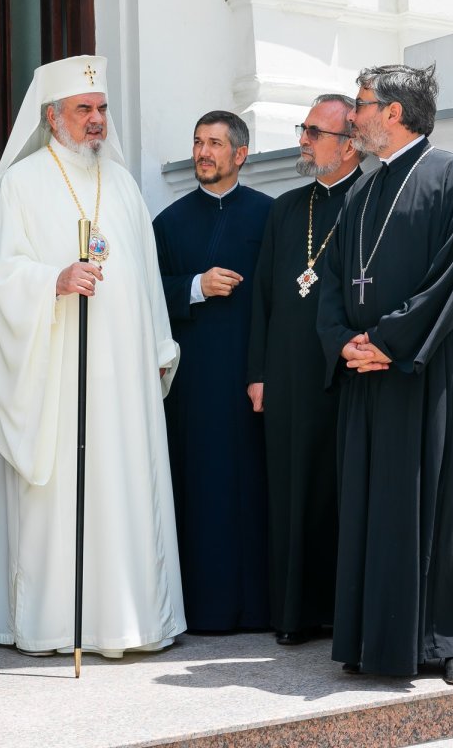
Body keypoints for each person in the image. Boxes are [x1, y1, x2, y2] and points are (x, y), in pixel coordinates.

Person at [0, 55, 187, 657]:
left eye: (101, 109)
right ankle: (53, 623)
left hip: (123, 378)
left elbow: (145, 276)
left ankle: (128, 619)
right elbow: (0, 276)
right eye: (83, 110)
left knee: (124, 485)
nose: (96, 121)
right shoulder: (20, 183)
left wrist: (160, 344)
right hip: (58, 376)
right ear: (52, 116)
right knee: (63, 491)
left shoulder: (120, 182)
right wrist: (53, 280)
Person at [315, 64, 453, 685]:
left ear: (393, 112)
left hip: (425, 370)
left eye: (361, 106)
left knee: (439, 495)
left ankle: (452, 639)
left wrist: (389, 341)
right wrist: (345, 345)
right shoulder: (360, 192)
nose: (352, 117)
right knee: (371, 504)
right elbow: (334, 284)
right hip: (366, 375)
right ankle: (372, 638)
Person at [247, 95, 364, 646]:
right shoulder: (288, 208)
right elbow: (264, 299)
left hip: (344, 374)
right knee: (293, 492)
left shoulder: (370, 200)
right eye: (304, 129)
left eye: (314, 132)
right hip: (289, 376)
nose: (303, 140)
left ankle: (344, 614)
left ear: (348, 144)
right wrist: (258, 373)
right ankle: (294, 614)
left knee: (340, 493)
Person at [152, 110, 271, 633]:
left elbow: (281, 302)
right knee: (200, 492)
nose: (203, 152)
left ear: (239, 155)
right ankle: (202, 610)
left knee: (254, 492)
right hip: (194, 386)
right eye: (198, 142)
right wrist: (196, 285)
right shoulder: (169, 223)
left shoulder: (271, 216)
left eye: (215, 144)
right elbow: (147, 295)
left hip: (251, 380)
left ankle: (262, 608)